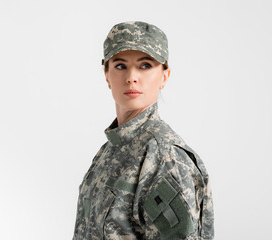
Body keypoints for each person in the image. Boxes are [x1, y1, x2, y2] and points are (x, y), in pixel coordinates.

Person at [73, 21, 214, 240]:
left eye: (145, 65)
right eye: (120, 65)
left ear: (164, 76)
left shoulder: (164, 156)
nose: (131, 77)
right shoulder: (109, 150)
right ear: (106, 75)